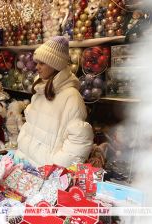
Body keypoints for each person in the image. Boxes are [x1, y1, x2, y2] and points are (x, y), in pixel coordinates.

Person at [16, 36, 94, 167]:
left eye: (42, 63)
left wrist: (56, 167)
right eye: (37, 63)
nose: (37, 67)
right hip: (25, 165)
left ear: (54, 65)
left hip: (47, 174)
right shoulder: (40, 90)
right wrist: (22, 146)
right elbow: (30, 126)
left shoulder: (71, 96)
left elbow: (79, 141)